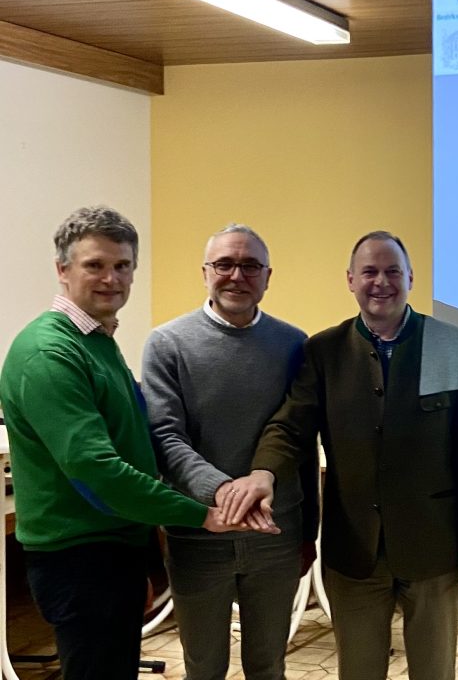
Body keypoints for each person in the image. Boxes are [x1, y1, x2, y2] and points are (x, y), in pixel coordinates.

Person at [226, 230, 458, 680]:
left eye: (392, 271)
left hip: (434, 546)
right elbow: (291, 426)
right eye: (369, 272)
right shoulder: (323, 350)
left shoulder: (449, 345)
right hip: (354, 549)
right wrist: (263, 472)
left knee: (435, 671)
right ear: (350, 280)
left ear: (410, 277)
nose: (381, 282)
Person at [0, 206, 252, 680]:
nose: (111, 279)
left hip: (113, 550)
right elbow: (99, 473)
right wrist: (201, 514)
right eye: (95, 265)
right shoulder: (49, 354)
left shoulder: (97, 339)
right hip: (81, 561)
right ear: (62, 269)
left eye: (123, 266)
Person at [141, 224, 319, 680]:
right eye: (224, 264)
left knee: (269, 665)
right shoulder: (167, 344)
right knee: (204, 667)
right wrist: (224, 492)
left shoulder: (295, 344)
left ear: (267, 276)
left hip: (276, 535)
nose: (236, 275)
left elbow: (299, 439)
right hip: (199, 534)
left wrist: (307, 534)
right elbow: (165, 437)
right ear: (205, 273)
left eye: (250, 265)